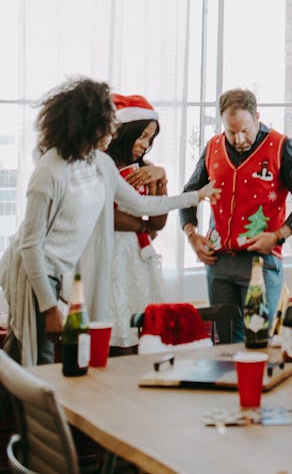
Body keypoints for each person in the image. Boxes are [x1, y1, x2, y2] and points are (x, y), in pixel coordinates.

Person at [0, 78, 216, 367]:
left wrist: (195, 197)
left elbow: (139, 204)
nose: (112, 130)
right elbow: (30, 246)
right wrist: (50, 307)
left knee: (48, 362)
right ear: (89, 125)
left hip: (64, 274)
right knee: (39, 362)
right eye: (107, 123)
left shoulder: (98, 164)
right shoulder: (50, 170)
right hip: (36, 272)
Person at [180, 87, 292, 342]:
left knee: (257, 341)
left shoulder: (281, 146)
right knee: (226, 345)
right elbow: (189, 194)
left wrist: (279, 235)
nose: (239, 138)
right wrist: (191, 235)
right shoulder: (213, 147)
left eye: (244, 130)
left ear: (257, 117)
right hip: (217, 263)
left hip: (261, 262)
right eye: (231, 131)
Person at [105, 93, 168, 353]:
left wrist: (161, 180)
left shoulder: (145, 168)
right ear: (123, 132)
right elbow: (106, 214)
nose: (145, 144)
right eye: (141, 136)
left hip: (139, 259)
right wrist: (142, 227)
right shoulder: (104, 165)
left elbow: (159, 222)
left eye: (150, 139)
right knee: (117, 330)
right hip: (111, 257)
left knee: (144, 332)